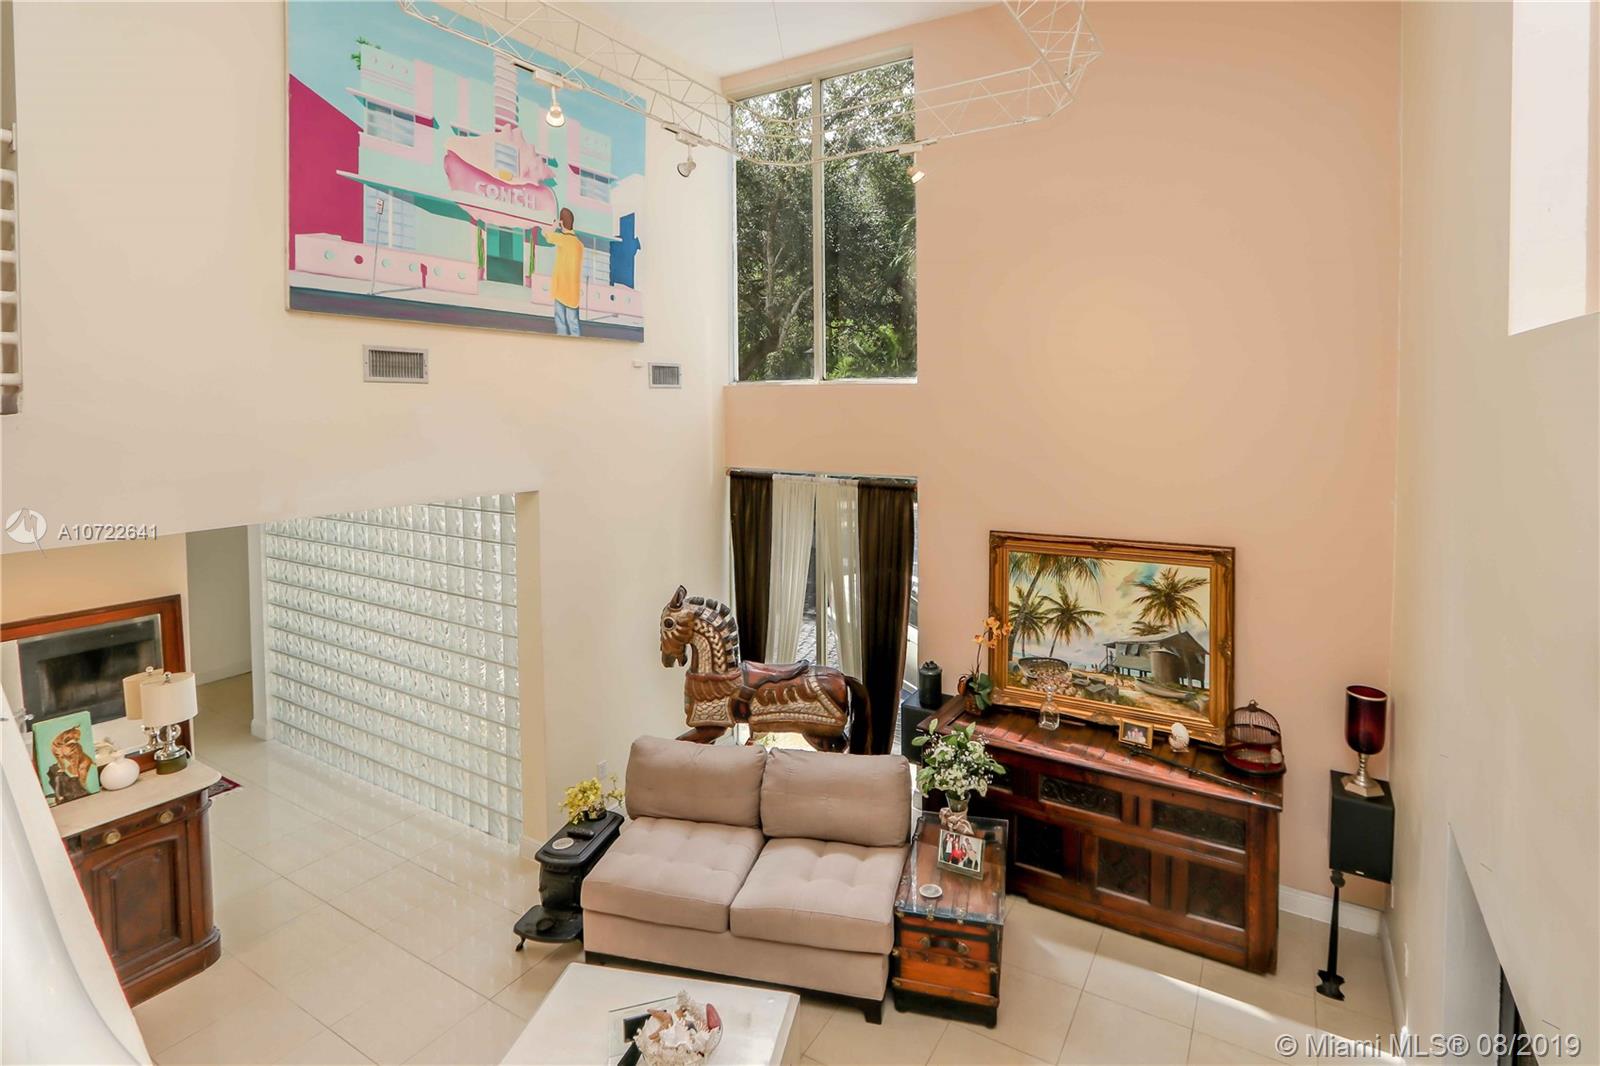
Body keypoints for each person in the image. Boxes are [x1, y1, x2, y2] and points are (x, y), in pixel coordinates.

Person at [544, 207, 584, 336]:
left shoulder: (563, 239)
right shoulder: (579, 244)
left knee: (561, 324)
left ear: (562, 222)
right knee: (574, 324)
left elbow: (546, 234)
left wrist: (554, 225)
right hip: (573, 292)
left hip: (560, 289)